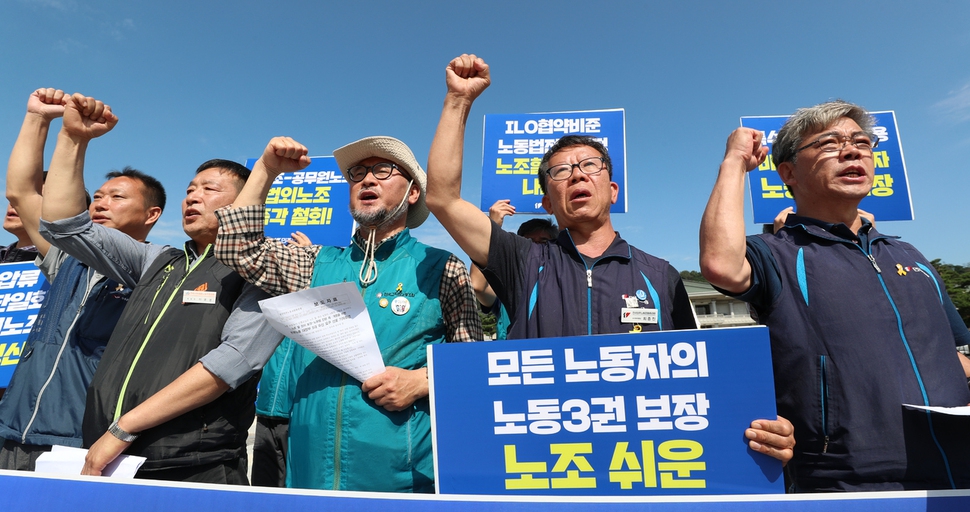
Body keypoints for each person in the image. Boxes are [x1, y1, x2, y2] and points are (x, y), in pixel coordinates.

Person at [424, 53, 795, 466]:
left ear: (613, 189)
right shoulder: (522, 259)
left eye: (589, 166)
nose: (578, 175)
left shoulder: (662, 275)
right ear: (547, 200)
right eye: (561, 172)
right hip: (543, 464)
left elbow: (702, 380)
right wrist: (458, 101)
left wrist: (761, 426)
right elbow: (442, 198)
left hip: (644, 468)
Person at [699, 100, 970, 491]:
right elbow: (721, 264)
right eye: (829, 143)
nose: (852, 150)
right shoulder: (776, 252)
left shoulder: (910, 255)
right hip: (849, 484)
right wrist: (735, 163)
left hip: (958, 475)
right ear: (787, 172)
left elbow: (956, 357)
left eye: (862, 142)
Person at [37, 92, 282, 484]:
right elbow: (64, 226)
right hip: (110, 460)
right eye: (190, 189)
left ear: (246, 204)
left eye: (210, 189)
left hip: (193, 468)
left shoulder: (264, 273)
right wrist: (73, 139)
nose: (193, 197)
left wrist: (122, 429)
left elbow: (231, 363)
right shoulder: (157, 260)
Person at [214, 136, 482, 492]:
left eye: (384, 170)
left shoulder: (440, 267)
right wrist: (266, 170)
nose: (367, 180)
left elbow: (472, 362)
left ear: (413, 193)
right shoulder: (315, 261)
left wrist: (422, 382)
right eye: (357, 173)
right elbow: (237, 247)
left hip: (400, 468)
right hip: (310, 463)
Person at [0, 89, 164, 471]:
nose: (101, 203)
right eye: (99, 196)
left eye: (117, 197)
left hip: (84, 444)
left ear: (152, 214)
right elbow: (23, 194)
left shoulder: (157, 271)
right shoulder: (67, 259)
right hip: (14, 429)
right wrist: (37, 118)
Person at [250, 231, 313, 488]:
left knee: (300, 491)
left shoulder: (319, 300)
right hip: (266, 411)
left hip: (301, 413)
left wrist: (310, 257)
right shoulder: (268, 301)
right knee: (264, 492)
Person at [470, 199, 558, 339]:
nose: (536, 248)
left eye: (543, 242)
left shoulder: (564, 282)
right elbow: (477, 285)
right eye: (528, 242)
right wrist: (493, 227)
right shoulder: (508, 285)